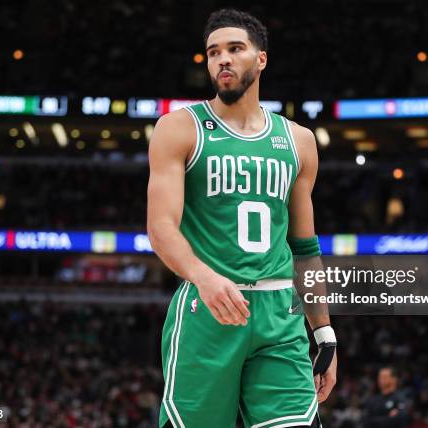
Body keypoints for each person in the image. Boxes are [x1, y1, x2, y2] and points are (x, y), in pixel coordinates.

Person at [147, 8, 337, 428]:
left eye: (235, 49)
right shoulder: (179, 128)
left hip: (279, 314)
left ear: (261, 58)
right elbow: (161, 228)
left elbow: (304, 247)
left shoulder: (299, 141)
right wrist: (203, 275)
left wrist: (323, 331)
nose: (223, 60)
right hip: (207, 310)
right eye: (214, 52)